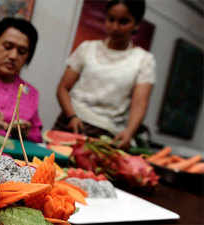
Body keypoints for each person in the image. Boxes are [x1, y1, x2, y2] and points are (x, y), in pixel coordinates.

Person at [54, 0, 155, 149]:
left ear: (137, 24)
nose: (115, 27)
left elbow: (139, 104)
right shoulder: (87, 49)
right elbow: (62, 88)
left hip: (106, 135)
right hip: (71, 124)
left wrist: (129, 132)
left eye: (123, 21)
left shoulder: (144, 60)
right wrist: (72, 116)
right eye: (111, 19)